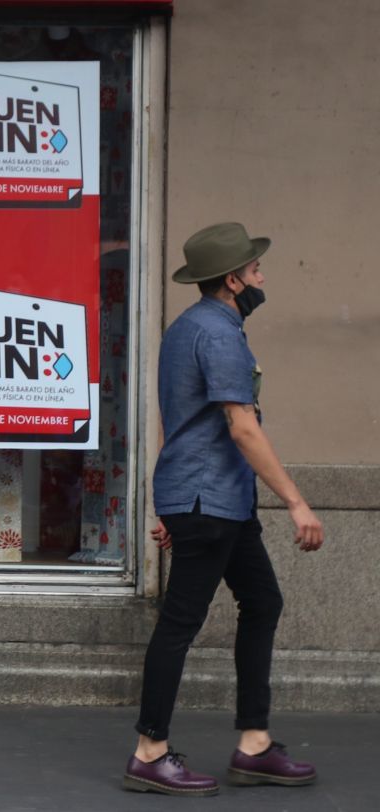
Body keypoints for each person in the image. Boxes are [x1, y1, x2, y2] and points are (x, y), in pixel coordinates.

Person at [123, 223, 323, 796]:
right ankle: (149, 751)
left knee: (262, 601)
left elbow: (175, 419)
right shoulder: (219, 334)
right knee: (181, 622)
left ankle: (254, 744)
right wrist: (297, 502)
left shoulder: (189, 327)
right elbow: (242, 427)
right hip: (210, 500)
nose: (262, 276)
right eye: (255, 269)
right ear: (232, 280)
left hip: (212, 500)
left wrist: (169, 503)